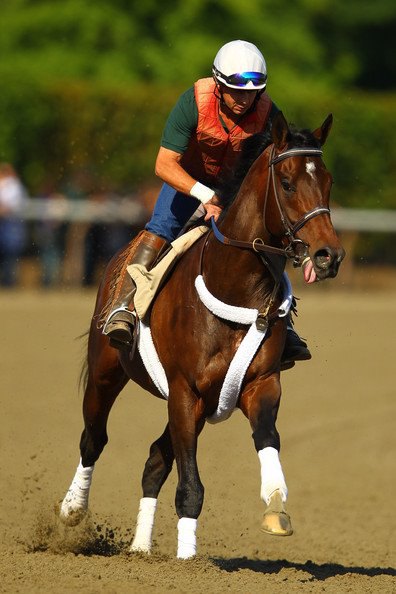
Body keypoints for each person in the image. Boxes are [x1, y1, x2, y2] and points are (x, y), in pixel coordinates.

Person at [103, 39, 311, 368]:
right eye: (235, 90)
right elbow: (164, 164)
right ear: (218, 84)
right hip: (187, 179)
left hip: (235, 185)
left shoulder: (269, 112)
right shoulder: (192, 103)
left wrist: (302, 242)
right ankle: (123, 308)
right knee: (161, 229)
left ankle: (285, 328)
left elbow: (278, 171)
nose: (244, 99)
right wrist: (205, 196)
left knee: (261, 240)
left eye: (251, 92)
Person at [0, 163, 28, 287]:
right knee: (8, 255)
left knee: (10, 254)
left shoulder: (13, 185)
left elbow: (10, 207)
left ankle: (9, 282)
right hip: (7, 224)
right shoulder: (8, 185)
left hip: (10, 224)